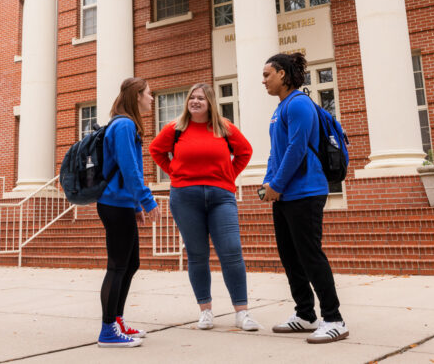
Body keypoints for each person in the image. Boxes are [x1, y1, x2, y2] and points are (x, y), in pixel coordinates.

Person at [149, 83, 259, 331]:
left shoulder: (224, 127)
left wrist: (228, 175)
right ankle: (205, 311)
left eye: (200, 98)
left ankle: (242, 313)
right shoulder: (175, 128)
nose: (195, 101)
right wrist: (174, 173)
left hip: (221, 198)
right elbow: (156, 150)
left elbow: (245, 152)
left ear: (210, 102)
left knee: (231, 252)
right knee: (197, 255)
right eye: (191, 98)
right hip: (185, 199)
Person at [260, 52, 348, 344]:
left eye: (267, 75)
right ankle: (306, 315)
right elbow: (277, 151)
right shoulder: (280, 108)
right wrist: (268, 184)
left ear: (283, 74)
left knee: (310, 255)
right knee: (289, 255)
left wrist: (278, 184)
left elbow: (296, 149)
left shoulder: (298, 104)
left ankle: (334, 318)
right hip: (285, 193)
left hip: (306, 191)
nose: (264, 81)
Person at [95, 77, 162, 348]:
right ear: (137, 96)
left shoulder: (125, 125)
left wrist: (135, 207)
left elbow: (127, 171)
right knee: (117, 266)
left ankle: (117, 321)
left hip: (121, 204)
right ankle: (108, 330)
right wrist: (146, 200)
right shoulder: (124, 125)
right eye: (149, 93)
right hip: (113, 204)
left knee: (130, 264)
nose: (152, 98)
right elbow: (129, 168)